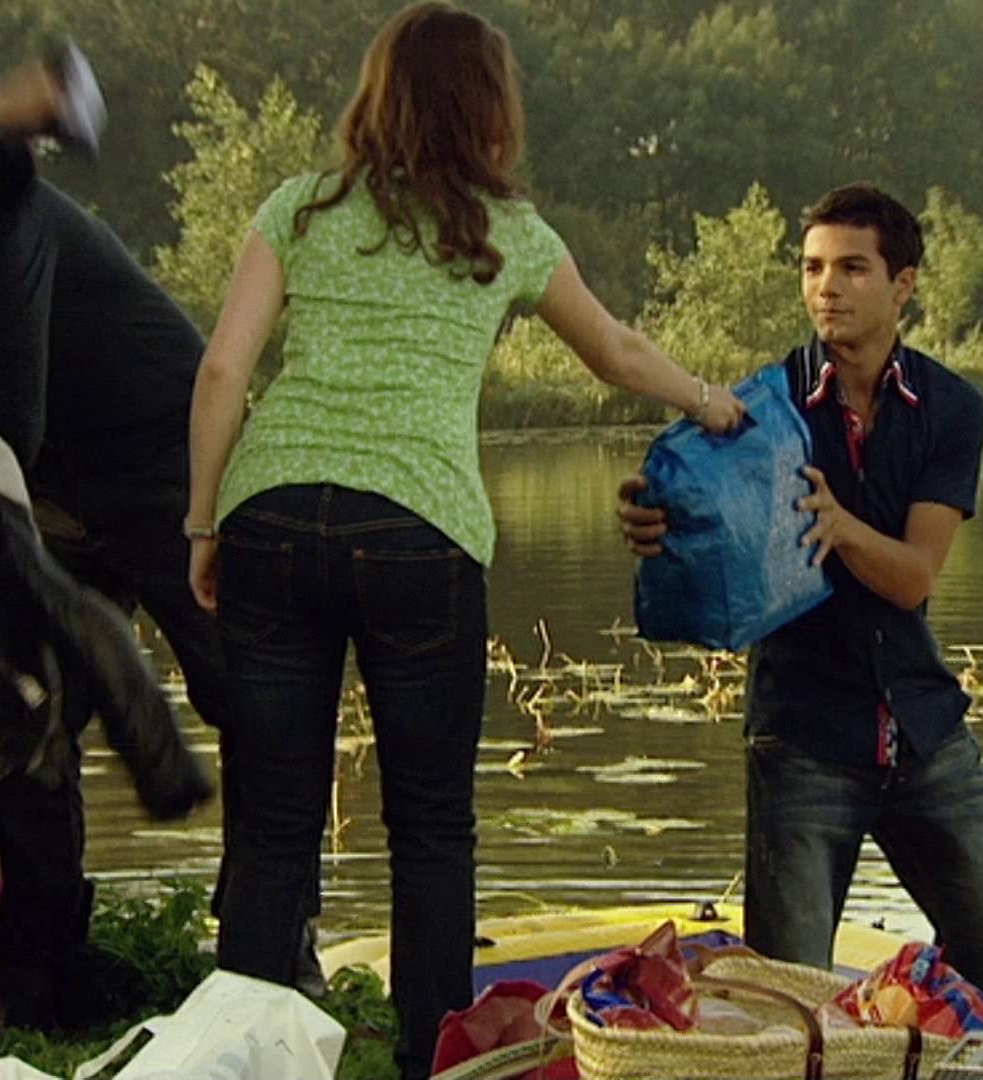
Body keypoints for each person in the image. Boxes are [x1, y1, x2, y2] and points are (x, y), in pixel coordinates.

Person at [184, 4, 744, 1074]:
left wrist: (203, 520)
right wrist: (710, 400)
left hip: (273, 513)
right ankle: (433, 1064)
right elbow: (616, 351)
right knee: (432, 825)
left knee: (273, 823)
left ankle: (237, 1062)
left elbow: (222, 371)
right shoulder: (506, 233)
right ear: (490, 110)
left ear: (376, 96)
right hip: (420, 529)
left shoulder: (299, 208)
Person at [0, 175, 321, 1028]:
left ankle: (272, 950)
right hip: (49, 493)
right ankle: (41, 971)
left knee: (250, 696)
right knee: (34, 709)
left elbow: (8, 426)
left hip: (168, 462)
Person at [616, 182, 983, 1011]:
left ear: (903, 285)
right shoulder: (763, 407)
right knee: (789, 1000)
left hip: (922, 732)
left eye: (851, 268)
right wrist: (655, 519)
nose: (826, 288)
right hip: (802, 737)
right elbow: (692, 508)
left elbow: (913, 578)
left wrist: (839, 525)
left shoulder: (952, 408)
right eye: (813, 268)